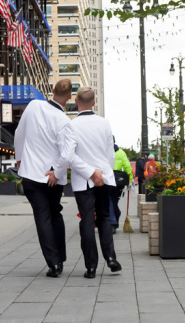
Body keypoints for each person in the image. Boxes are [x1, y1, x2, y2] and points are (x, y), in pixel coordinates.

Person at [14, 79, 100, 279]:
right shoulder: (64, 122)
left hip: (30, 174)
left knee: (42, 216)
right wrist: (58, 173)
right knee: (55, 214)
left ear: (52, 91)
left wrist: (19, 159)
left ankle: (54, 263)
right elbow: (68, 152)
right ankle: (59, 258)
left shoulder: (33, 106)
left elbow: (19, 133)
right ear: (70, 97)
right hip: (51, 177)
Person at [69, 87, 121, 278]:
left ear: (76, 101)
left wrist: (90, 173)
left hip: (84, 180)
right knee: (105, 217)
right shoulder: (104, 123)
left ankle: (91, 266)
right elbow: (109, 154)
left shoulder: (72, 125)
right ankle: (111, 259)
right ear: (94, 102)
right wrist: (103, 173)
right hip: (104, 177)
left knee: (87, 220)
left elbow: (69, 156)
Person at [110, 142, 132, 229]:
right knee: (114, 201)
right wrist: (129, 181)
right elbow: (127, 167)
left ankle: (112, 222)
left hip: (107, 179)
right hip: (118, 181)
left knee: (108, 200)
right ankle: (116, 215)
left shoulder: (104, 151)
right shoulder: (121, 152)